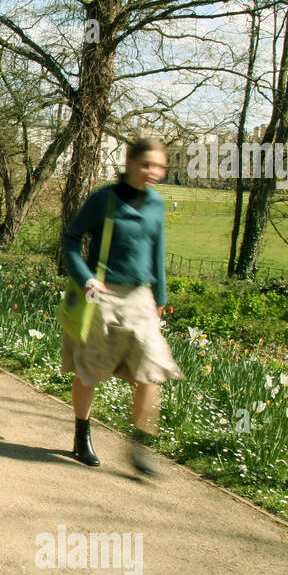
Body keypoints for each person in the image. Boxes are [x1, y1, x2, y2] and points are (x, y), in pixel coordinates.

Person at [61, 137, 183, 476]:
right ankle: (81, 435)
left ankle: (140, 446)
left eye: (159, 166)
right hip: (102, 296)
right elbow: (71, 239)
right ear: (129, 162)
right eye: (146, 165)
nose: (153, 172)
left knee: (151, 370)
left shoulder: (157, 204)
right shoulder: (104, 199)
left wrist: (160, 298)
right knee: (90, 371)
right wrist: (85, 277)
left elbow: (157, 250)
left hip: (140, 299)